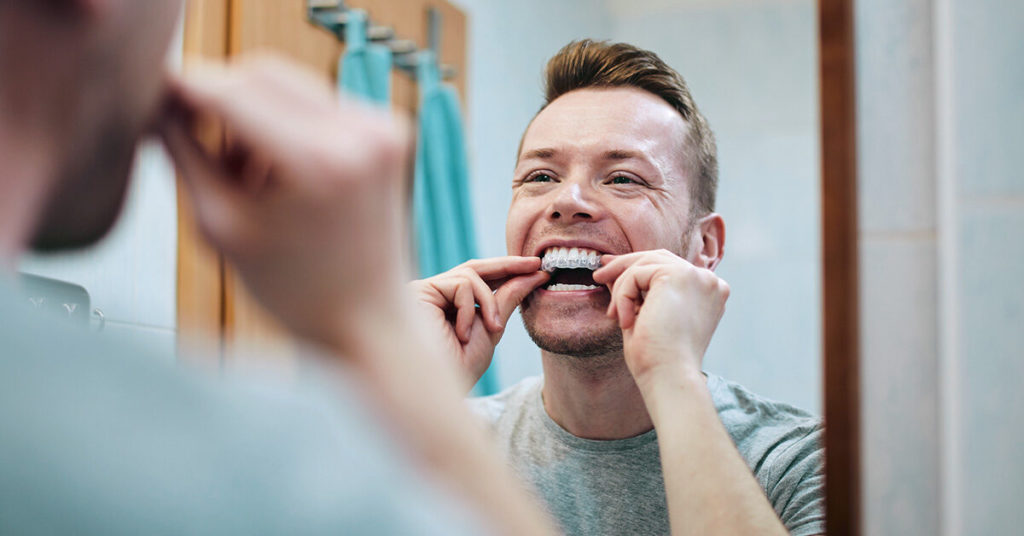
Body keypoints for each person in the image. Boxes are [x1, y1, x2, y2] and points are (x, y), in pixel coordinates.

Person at [0, 1, 558, 534]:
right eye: (541, 176)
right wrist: (378, 328)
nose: (569, 201)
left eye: (610, 177)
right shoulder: (220, 468)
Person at [411, 40, 825, 536]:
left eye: (623, 178)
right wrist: (411, 392)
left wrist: (670, 371)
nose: (568, 200)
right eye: (541, 176)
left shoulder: (800, 467)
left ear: (705, 245)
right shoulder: (436, 441)